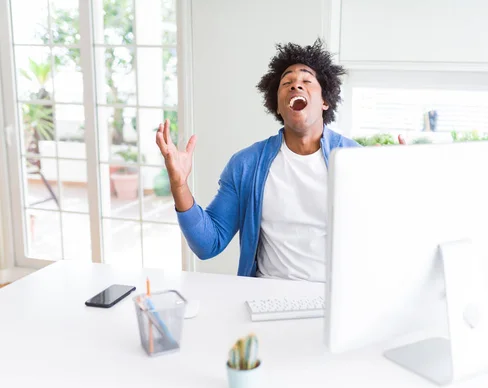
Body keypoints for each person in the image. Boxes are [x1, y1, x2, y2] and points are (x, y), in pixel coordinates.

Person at [155, 38, 402, 282]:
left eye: (307, 80)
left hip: (334, 299)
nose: (296, 86)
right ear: (278, 106)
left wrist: (408, 178)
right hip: (267, 294)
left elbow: (388, 235)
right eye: (287, 83)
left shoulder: (356, 160)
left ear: (325, 101)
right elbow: (208, 244)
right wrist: (179, 185)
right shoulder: (246, 165)